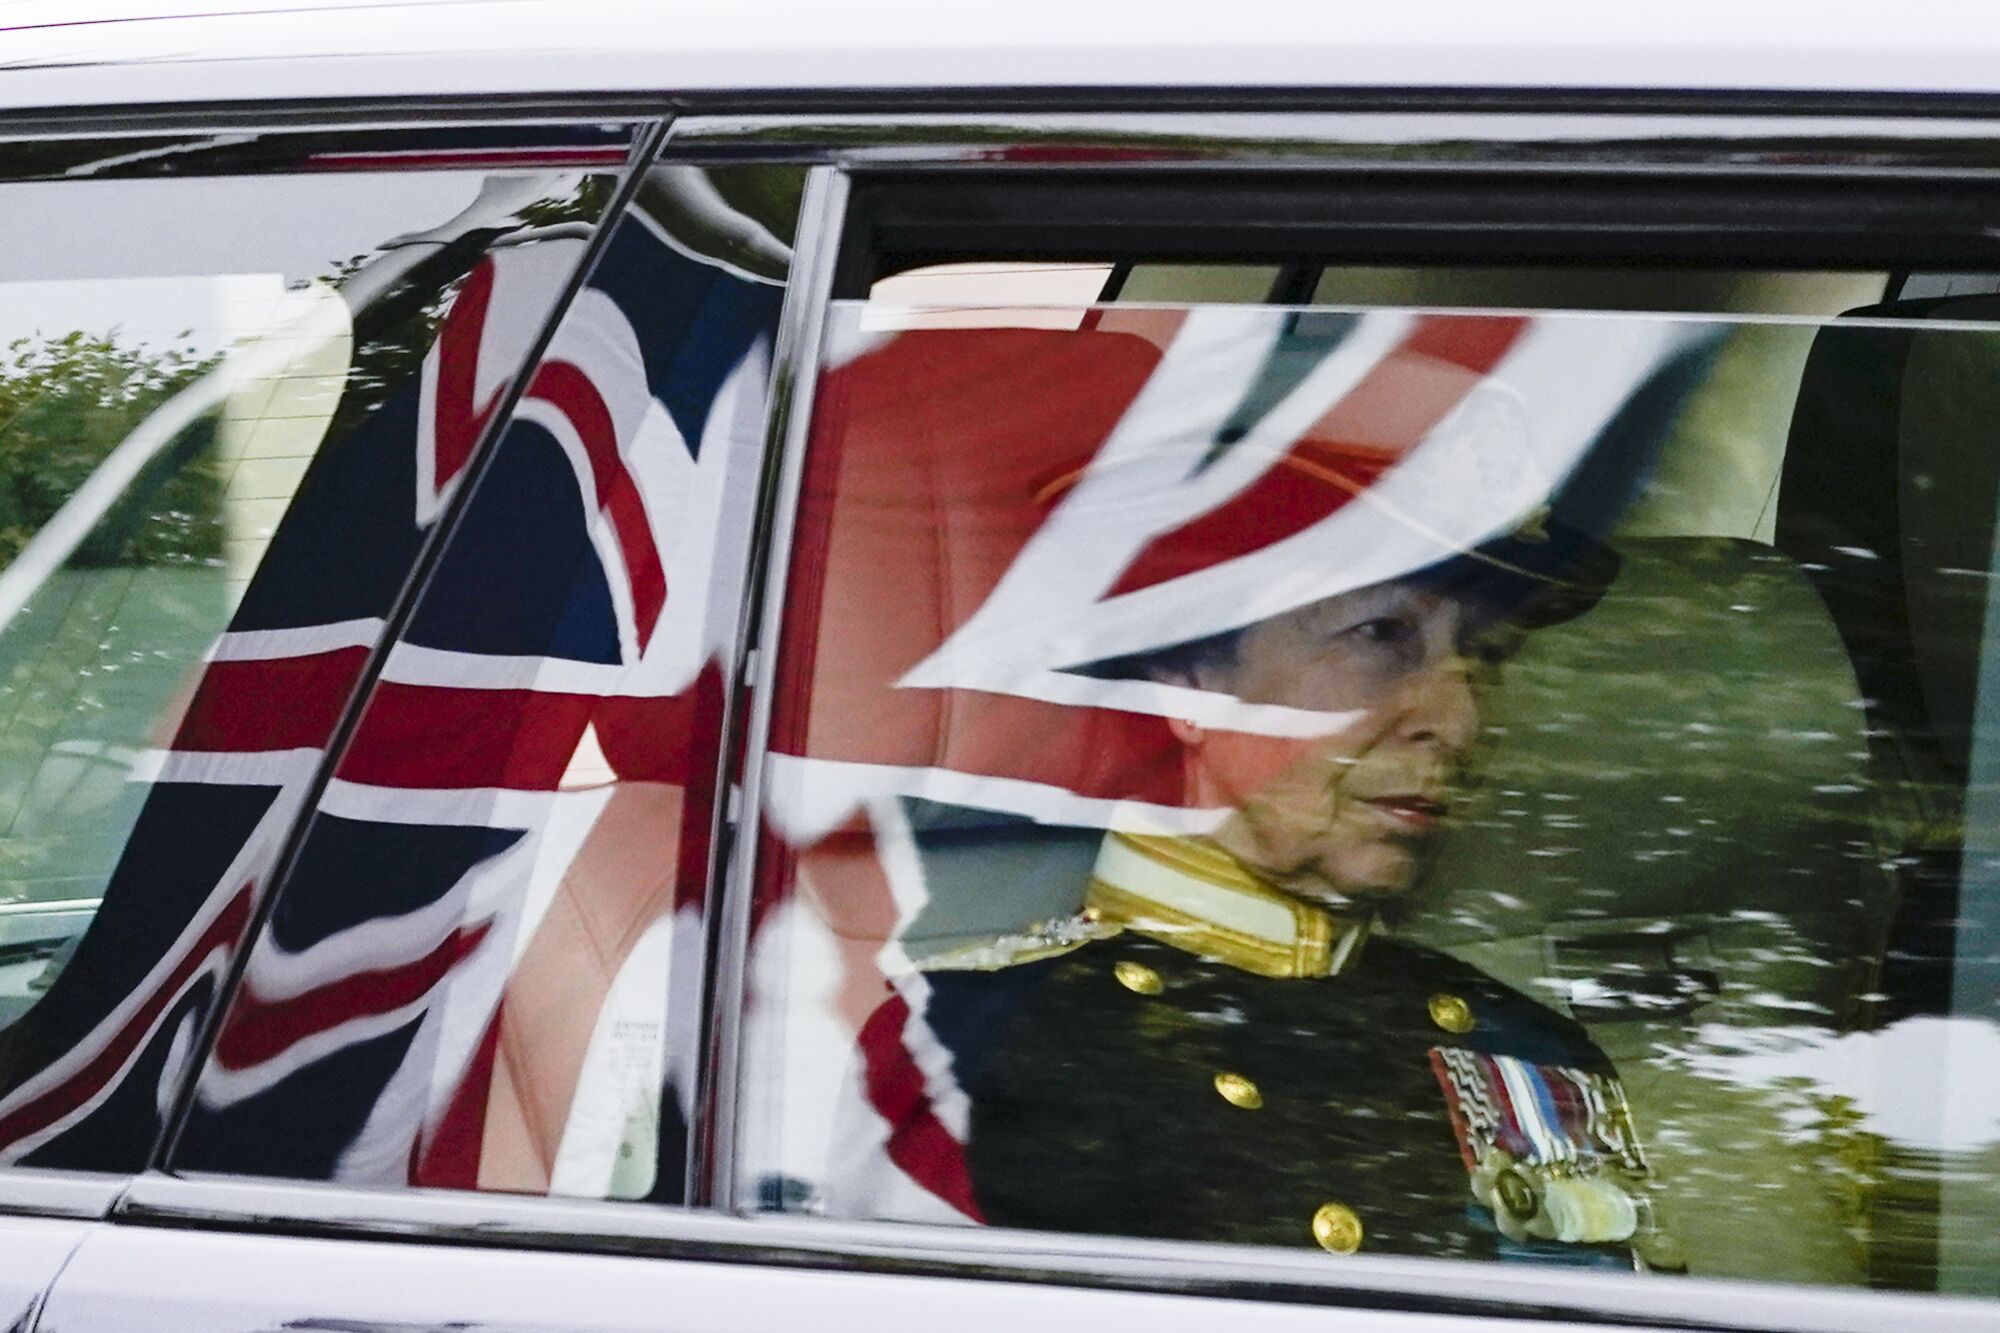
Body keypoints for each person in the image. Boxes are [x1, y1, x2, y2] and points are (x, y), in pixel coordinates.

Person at [904, 533, 1687, 1270]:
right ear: (1190, 682)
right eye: (1382, 636)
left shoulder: (1525, 1049)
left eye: (1486, 655)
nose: (1460, 723)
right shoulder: (969, 1040)